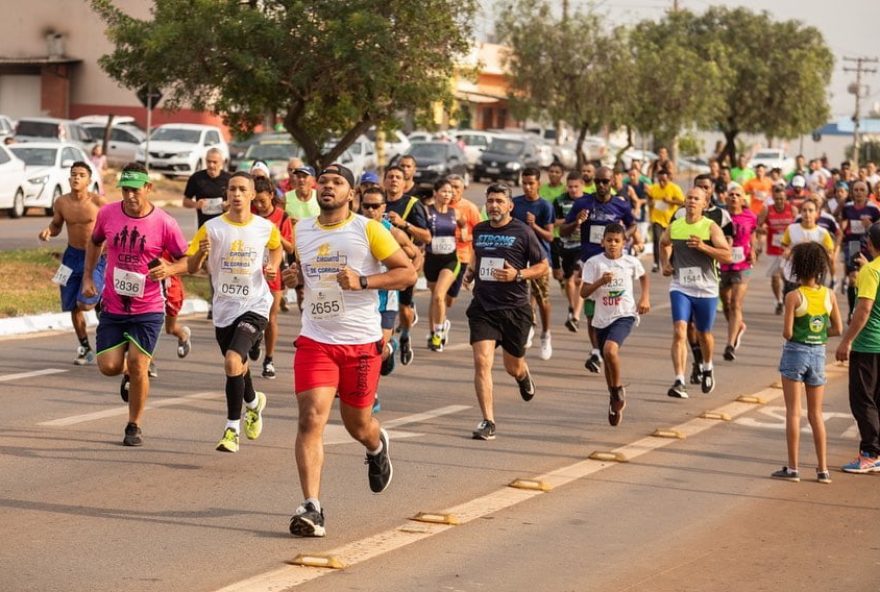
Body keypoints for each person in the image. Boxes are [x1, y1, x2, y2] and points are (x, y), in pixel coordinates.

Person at [283, 164, 416, 537]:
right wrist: (295, 278)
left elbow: (407, 273)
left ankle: (376, 446)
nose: (328, 187)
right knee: (311, 418)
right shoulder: (303, 228)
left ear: (351, 194)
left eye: (337, 182)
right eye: (323, 181)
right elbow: (305, 274)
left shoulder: (367, 229)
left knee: (357, 424)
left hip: (360, 343)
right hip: (316, 340)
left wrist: (363, 281)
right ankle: (312, 507)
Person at [81, 163, 189, 447]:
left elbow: (186, 260)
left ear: (148, 189)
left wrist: (169, 270)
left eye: (135, 190)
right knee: (108, 366)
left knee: (139, 365)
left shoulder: (165, 222)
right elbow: (94, 242)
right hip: (114, 305)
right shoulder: (108, 214)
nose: (129, 196)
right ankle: (126, 373)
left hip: (149, 308)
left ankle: (134, 425)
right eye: (125, 190)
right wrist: (88, 278)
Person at [186, 172, 281, 452]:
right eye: (232, 190)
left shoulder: (265, 227)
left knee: (231, 361)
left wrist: (273, 266)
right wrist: (201, 254)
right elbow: (192, 267)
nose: (237, 194)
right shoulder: (212, 228)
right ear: (226, 195)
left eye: (242, 189)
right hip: (225, 308)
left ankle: (231, 429)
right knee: (237, 365)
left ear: (252, 195)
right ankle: (253, 402)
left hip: (255, 305)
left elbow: (276, 249)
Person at [464, 183, 547, 440]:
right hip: (484, 306)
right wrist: (470, 271)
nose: (494, 205)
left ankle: (523, 375)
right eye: (490, 201)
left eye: (499, 201)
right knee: (481, 362)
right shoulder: (479, 230)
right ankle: (488, 421)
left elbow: (543, 265)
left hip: (514, 308)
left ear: (510, 206)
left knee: (512, 366)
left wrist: (518, 274)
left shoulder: (522, 232)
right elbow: (478, 255)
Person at [561, 167, 642, 373]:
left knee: (611, 304)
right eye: (598, 181)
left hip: (614, 264)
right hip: (591, 262)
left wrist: (622, 237)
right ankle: (596, 350)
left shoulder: (621, 204)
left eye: (605, 181)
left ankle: (608, 343)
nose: (601, 185)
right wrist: (577, 221)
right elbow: (562, 230)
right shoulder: (582, 203)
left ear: (612, 182)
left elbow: (634, 225)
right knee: (591, 312)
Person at [773, 242, 842, 484]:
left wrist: (803, 334)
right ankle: (823, 470)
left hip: (795, 352)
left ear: (797, 267)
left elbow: (787, 332)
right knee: (816, 414)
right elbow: (838, 328)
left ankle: (793, 468)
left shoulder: (794, 296)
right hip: (818, 354)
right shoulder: (829, 295)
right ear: (820, 268)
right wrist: (819, 334)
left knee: (794, 412)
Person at [660, 186, 732, 398]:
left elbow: (727, 256)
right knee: (679, 331)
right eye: (689, 198)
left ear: (704, 203)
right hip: (681, 285)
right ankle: (679, 381)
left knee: (703, 334)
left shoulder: (711, 228)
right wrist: (665, 262)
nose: (691, 201)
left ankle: (708, 366)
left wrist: (704, 247)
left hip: (706, 288)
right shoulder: (675, 226)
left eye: (696, 199)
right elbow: (663, 243)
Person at [580, 223, 650, 427]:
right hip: (602, 318)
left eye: (617, 241)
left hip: (624, 314)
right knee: (608, 362)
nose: (612, 244)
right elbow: (584, 293)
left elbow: (644, 277)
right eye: (609, 240)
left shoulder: (630, 262)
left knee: (611, 351)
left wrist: (644, 298)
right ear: (602, 241)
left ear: (624, 243)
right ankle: (613, 396)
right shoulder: (594, 263)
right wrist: (600, 282)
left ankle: (618, 390)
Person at [38, 161, 107, 365]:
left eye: (81, 175)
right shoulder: (61, 202)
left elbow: (113, 226)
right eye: (73, 174)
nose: (76, 178)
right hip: (71, 257)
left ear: (89, 180)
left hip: (95, 256)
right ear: (69, 178)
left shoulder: (99, 203)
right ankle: (85, 347)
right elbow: (57, 224)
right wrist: (49, 231)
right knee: (71, 305)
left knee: (85, 303)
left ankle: (101, 303)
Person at [358, 186, 422, 386]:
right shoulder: (354, 228)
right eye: (366, 206)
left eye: (375, 206)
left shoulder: (392, 232)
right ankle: (370, 392)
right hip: (361, 299)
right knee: (362, 350)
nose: (370, 211)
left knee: (377, 349)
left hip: (386, 300)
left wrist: (407, 279)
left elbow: (417, 255)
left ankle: (372, 392)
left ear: (383, 207)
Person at [835, 223, 880, 474]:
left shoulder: (871, 272)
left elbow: (863, 309)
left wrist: (846, 341)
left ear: (871, 244)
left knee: (863, 400)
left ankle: (870, 453)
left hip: (869, 344)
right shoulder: (870, 270)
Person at [383, 165, 431, 365]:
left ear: (405, 182)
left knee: (403, 308)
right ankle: (386, 343)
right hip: (381, 266)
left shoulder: (412, 203)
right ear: (384, 181)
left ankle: (405, 336)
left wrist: (404, 224)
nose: (394, 180)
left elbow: (427, 236)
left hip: (404, 265)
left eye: (398, 177)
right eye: (390, 177)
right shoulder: (376, 203)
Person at [252, 175, 295, 379]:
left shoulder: (282, 216)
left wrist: (274, 232)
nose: (259, 205)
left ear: (271, 195)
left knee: (271, 317)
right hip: (250, 270)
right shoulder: (249, 215)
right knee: (250, 314)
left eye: (262, 201)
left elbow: (290, 246)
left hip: (272, 271)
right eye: (255, 201)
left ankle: (269, 359)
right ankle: (253, 339)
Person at [512, 167, 555, 360]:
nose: (528, 187)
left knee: (541, 298)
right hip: (519, 258)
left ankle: (545, 334)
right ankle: (528, 325)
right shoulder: (515, 204)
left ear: (539, 184)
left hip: (540, 258)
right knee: (521, 297)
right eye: (524, 183)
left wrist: (534, 225)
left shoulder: (545, 206)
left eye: (531, 183)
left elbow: (550, 236)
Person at [183, 147, 231, 318]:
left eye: (215, 162)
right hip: (206, 231)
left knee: (226, 267)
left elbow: (237, 201)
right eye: (208, 162)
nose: (211, 165)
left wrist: (227, 205)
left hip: (226, 230)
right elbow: (185, 201)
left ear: (222, 162)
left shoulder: (228, 179)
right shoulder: (197, 178)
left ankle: (226, 301)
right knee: (211, 268)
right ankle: (214, 303)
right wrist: (196, 205)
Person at [720, 184, 758, 361]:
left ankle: (730, 344)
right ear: (726, 198)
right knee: (726, 304)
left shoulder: (750, 216)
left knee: (735, 303)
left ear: (743, 199)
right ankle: (738, 326)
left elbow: (753, 234)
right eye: (731, 195)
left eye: (738, 195)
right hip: (723, 264)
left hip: (743, 265)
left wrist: (753, 249)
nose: (734, 197)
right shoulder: (720, 215)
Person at [424, 178, 462, 352]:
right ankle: (435, 331)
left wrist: (466, 234)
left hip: (450, 260)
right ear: (435, 193)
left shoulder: (456, 213)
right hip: (432, 260)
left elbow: (465, 226)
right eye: (444, 191)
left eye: (449, 192)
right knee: (435, 298)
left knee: (440, 295)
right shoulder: (427, 211)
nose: (447, 194)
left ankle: (438, 335)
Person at [839, 180, 880, 319]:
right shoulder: (847, 208)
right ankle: (852, 310)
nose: (858, 193)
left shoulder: (874, 209)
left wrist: (870, 225)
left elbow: (877, 229)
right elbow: (843, 225)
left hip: (870, 245)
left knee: (867, 276)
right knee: (853, 279)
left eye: (862, 190)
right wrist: (840, 234)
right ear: (851, 192)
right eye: (856, 190)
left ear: (867, 193)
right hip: (853, 245)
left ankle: (868, 306)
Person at [553, 172, 587, 332]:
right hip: (566, 245)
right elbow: (553, 222)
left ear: (582, 186)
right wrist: (573, 220)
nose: (573, 190)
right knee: (569, 281)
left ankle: (576, 316)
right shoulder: (559, 201)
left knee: (577, 279)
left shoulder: (588, 200)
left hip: (583, 246)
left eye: (576, 186)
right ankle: (572, 307)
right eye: (570, 186)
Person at [758, 182, 797, 314]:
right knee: (775, 277)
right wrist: (762, 229)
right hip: (773, 249)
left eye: (782, 198)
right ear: (773, 198)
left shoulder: (792, 209)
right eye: (777, 198)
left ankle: (788, 296)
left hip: (789, 249)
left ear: (785, 198)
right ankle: (779, 301)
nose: (779, 201)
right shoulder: (767, 209)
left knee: (787, 277)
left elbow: (798, 227)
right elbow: (758, 226)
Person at [780, 198, 834, 295]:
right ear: (800, 213)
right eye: (804, 210)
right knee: (792, 302)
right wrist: (787, 252)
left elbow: (830, 253)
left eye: (810, 210)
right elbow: (784, 245)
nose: (807, 213)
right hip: (794, 273)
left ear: (817, 213)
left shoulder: (822, 233)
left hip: (814, 275)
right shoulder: (791, 229)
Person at [445, 173, 481, 314]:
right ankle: (439, 324)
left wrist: (468, 237)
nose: (453, 190)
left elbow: (481, 232)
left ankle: (441, 320)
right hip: (440, 254)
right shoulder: (439, 205)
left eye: (456, 187)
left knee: (450, 299)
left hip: (461, 256)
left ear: (462, 189)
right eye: (450, 187)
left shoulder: (470, 208)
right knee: (439, 293)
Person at [646, 167, 685, 272]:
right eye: (660, 180)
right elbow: (649, 201)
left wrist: (670, 201)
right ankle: (656, 264)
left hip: (671, 220)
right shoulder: (654, 188)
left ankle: (671, 262)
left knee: (672, 242)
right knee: (657, 240)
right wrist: (651, 203)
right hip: (657, 219)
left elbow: (682, 202)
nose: (662, 183)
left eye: (664, 180)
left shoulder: (674, 188)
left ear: (669, 179)